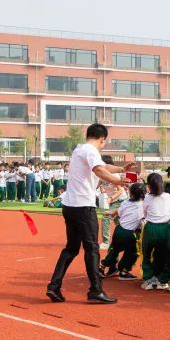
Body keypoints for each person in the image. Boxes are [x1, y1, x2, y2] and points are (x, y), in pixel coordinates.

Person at [46, 123, 134, 304]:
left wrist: (121, 170)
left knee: (71, 248)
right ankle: (95, 290)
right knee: (92, 249)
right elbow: (99, 170)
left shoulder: (80, 150)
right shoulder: (91, 151)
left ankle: (54, 286)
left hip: (70, 205)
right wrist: (119, 181)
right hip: (83, 207)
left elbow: (103, 166)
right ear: (103, 139)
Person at [101, 181, 145, 280]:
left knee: (114, 250)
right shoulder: (143, 206)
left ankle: (102, 267)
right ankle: (124, 271)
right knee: (133, 252)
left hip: (119, 230)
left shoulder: (126, 202)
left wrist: (111, 213)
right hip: (129, 233)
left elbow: (119, 212)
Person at [140, 172, 170, 290]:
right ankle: (160, 278)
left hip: (151, 228)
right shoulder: (168, 196)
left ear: (149, 186)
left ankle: (147, 279)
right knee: (162, 254)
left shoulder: (147, 197)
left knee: (146, 254)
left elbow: (144, 214)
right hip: (165, 228)